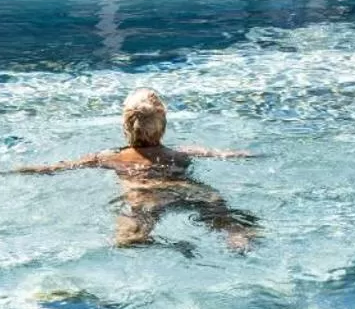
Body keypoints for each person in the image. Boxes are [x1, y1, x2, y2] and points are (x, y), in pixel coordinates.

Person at [14, 88, 257, 251]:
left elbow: (55, 168)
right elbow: (226, 154)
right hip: (187, 190)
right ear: (163, 126)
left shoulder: (111, 156)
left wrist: (19, 169)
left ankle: (171, 247)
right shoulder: (182, 152)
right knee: (222, 215)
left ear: (125, 126)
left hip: (143, 196)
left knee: (127, 241)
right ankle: (237, 237)